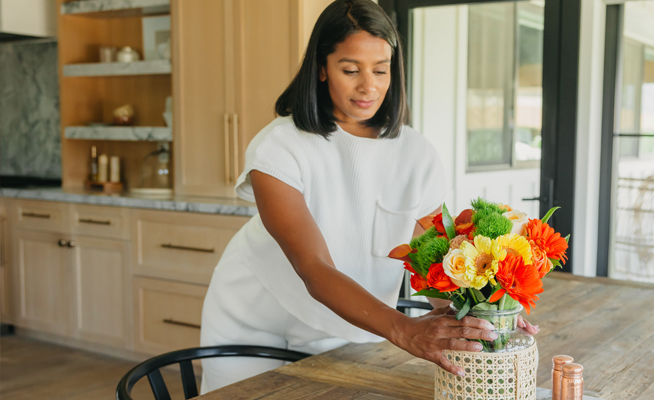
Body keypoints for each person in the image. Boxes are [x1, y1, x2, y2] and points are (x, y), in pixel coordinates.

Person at [199, 0, 537, 393]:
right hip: (256, 317)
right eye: (350, 70)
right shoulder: (279, 147)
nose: (369, 86)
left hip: (350, 323)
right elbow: (313, 266)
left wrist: (481, 319)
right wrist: (405, 331)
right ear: (322, 69)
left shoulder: (417, 154)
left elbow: (435, 267)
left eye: (380, 70)